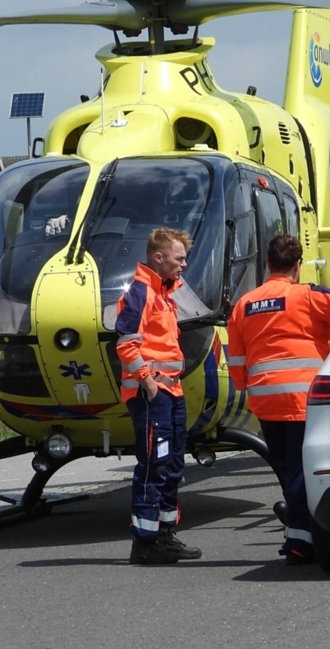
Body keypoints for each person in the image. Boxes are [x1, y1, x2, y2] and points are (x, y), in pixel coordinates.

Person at [227, 234, 330, 566]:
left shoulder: (244, 304)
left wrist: (244, 388)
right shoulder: (306, 296)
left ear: (267, 264)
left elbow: (236, 359)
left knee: (286, 471)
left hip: (265, 402)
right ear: (298, 265)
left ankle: (296, 532)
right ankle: (300, 543)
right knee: (301, 473)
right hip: (302, 400)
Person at [115, 227, 201, 565]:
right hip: (154, 393)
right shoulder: (141, 292)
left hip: (171, 390)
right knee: (154, 465)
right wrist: (148, 383)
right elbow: (125, 342)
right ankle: (146, 541)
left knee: (172, 464)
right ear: (159, 258)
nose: (183, 265)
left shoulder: (165, 293)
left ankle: (165, 535)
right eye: (179, 259)